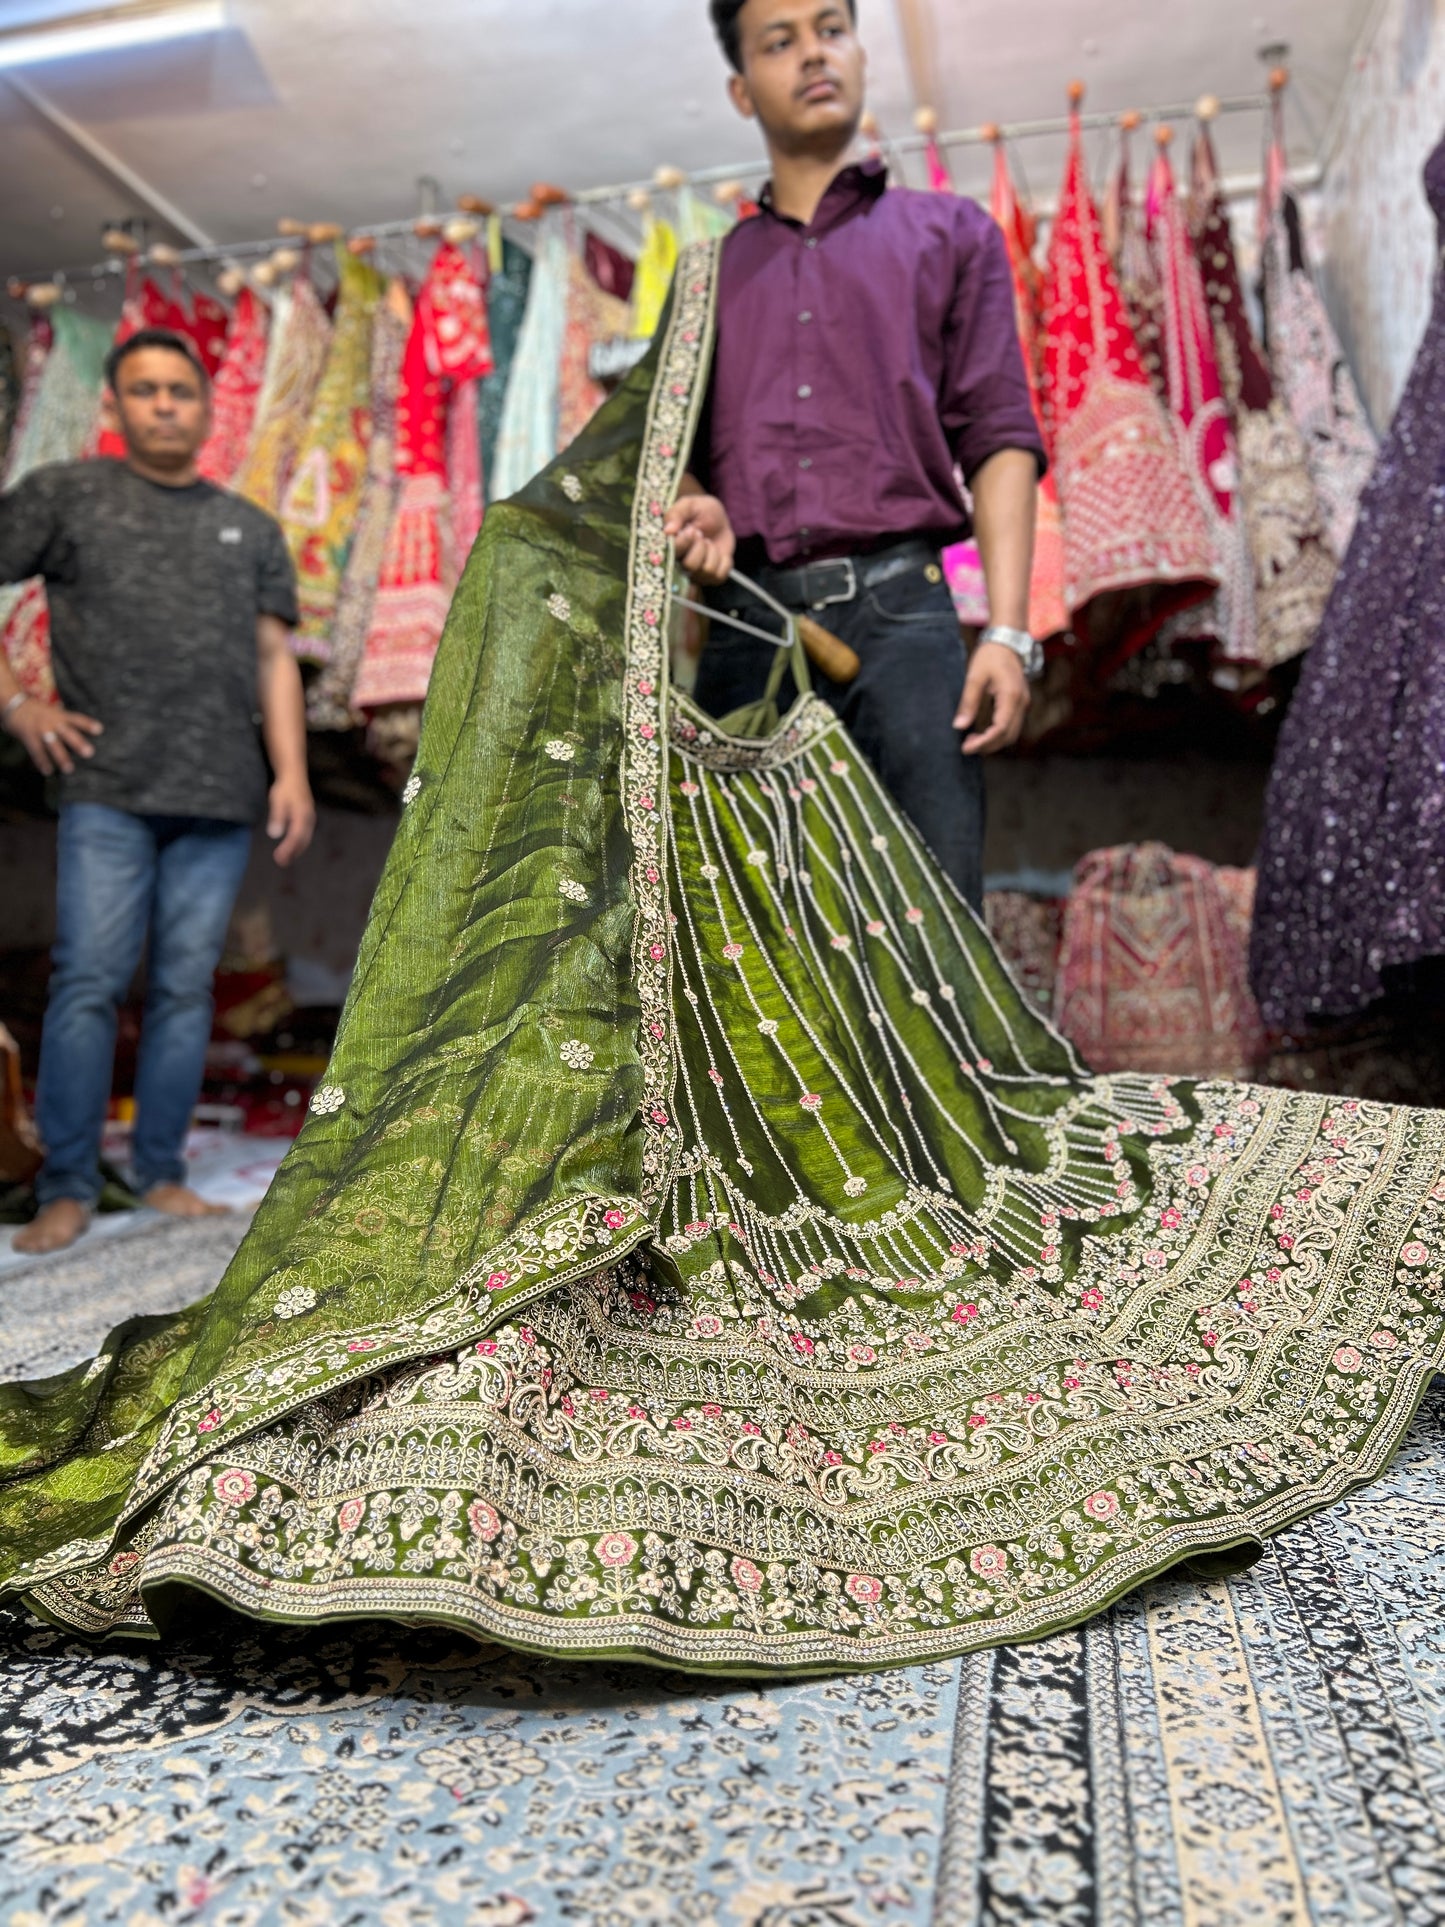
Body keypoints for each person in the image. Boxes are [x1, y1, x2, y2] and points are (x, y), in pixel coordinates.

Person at [1, 252, 1440, 1670]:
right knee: (107, 979)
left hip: (867, 633)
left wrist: (876, 599)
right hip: (138, 780)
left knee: (913, 966)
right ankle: (77, 1178)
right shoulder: (514, 548)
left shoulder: (909, 273)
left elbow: (933, 515)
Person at [665, 0, 1045, 908]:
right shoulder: (702, 277)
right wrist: (694, 496)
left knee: (934, 923)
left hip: (905, 628)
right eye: (778, 41)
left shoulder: (951, 235)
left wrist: (1006, 629)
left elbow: (997, 430)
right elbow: (663, 453)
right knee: (745, 936)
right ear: (739, 85)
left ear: (859, 52)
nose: (812, 54)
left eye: (830, 28)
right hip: (745, 626)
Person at [0, 327, 315, 1256]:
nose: (166, 404)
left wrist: (291, 774)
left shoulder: (249, 527)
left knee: (185, 989)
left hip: (218, 794)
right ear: (116, 405)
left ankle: (160, 1171)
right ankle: (65, 1182)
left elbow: (274, 657)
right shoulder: (65, 498)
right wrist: (19, 705)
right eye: (146, 390)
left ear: (207, 406)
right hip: (105, 786)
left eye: (182, 390)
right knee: (89, 979)